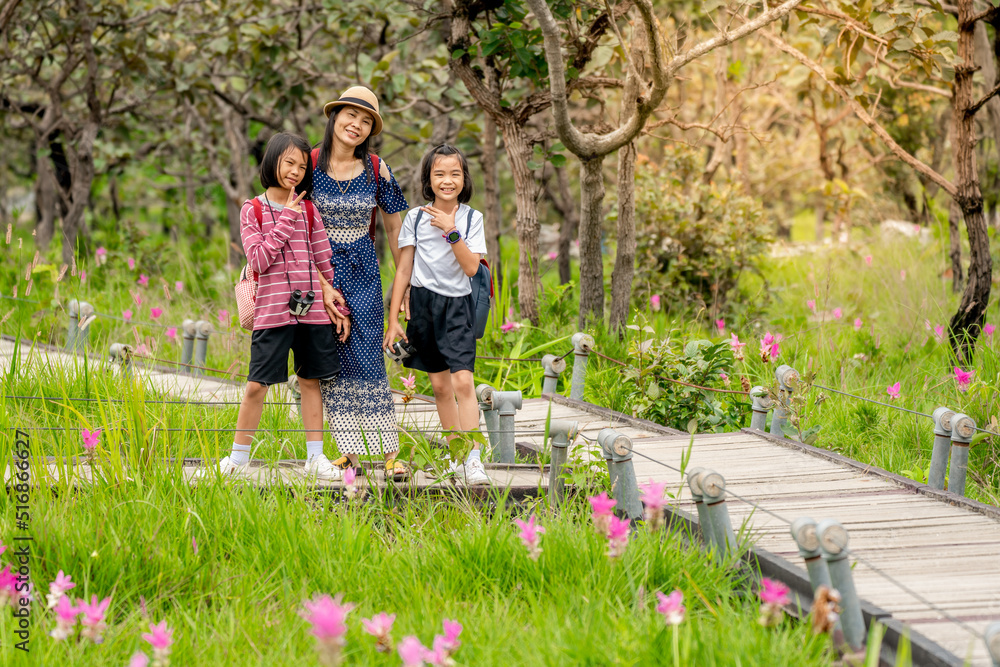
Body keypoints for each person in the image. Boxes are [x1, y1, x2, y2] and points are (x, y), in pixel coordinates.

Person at [205, 132, 351, 479]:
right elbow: (258, 259)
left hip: (311, 311)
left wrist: (333, 298)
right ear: (273, 161)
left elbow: (322, 258)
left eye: (302, 166)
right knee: (257, 384)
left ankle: (315, 458)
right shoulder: (252, 209)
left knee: (310, 381)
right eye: (289, 163)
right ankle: (238, 459)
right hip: (272, 312)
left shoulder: (311, 210)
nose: (296, 172)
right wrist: (286, 215)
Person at [311, 86, 411, 481]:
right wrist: (321, 284)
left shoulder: (376, 168)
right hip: (320, 275)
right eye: (351, 115)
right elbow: (297, 225)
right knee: (331, 364)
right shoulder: (310, 163)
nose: (357, 124)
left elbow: (396, 231)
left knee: (369, 360)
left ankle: (390, 454)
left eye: (366, 120)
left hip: (365, 274)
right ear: (335, 117)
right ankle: (349, 456)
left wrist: (402, 294)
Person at [383, 144, 489, 486]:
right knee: (441, 387)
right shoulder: (414, 217)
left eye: (455, 174)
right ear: (429, 179)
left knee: (463, 382)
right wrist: (394, 318)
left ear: (464, 178)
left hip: (457, 306)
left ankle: (474, 458)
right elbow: (403, 269)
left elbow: (472, 266)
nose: (447, 180)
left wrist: (450, 229)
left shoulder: (472, 219)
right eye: (439, 174)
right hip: (423, 308)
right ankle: (456, 454)